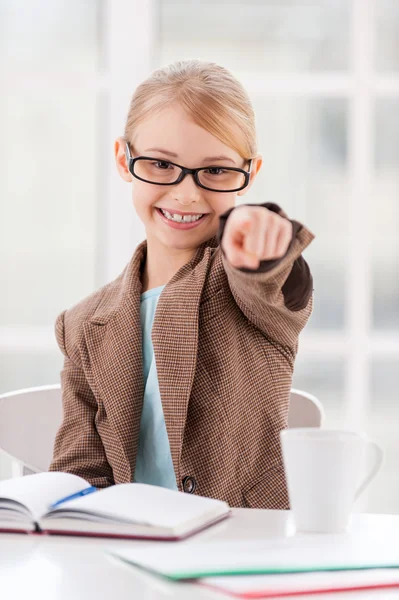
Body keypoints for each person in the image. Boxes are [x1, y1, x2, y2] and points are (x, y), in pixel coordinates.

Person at [49, 59, 314, 509]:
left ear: (249, 173)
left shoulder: (244, 283)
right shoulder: (82, 325)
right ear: (123, 159)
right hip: (131, 555)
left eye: (216, 171)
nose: (186, 193)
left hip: (244, 547)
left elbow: (274, 280)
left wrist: (261, 239)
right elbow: (81, 470)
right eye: (159, 164)